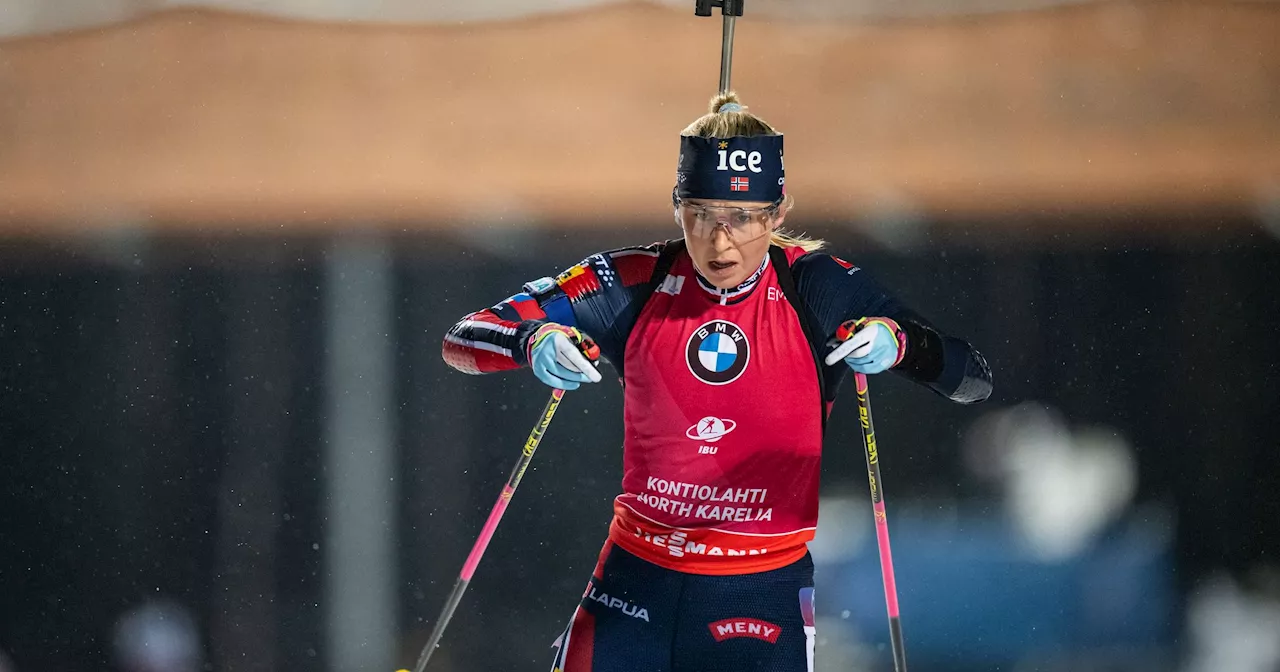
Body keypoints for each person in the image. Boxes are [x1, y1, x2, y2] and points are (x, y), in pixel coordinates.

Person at [442, 92, 992, 672]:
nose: (719, 240)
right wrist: (532, 341)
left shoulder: (818, 285)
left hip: (759, 589)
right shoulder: (633, 279)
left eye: (743, 217)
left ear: (778, 214)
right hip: (634, 580)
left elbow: (970, 379)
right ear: (676, 207)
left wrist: (898, 343)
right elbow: (464, 338)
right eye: (700, 213)